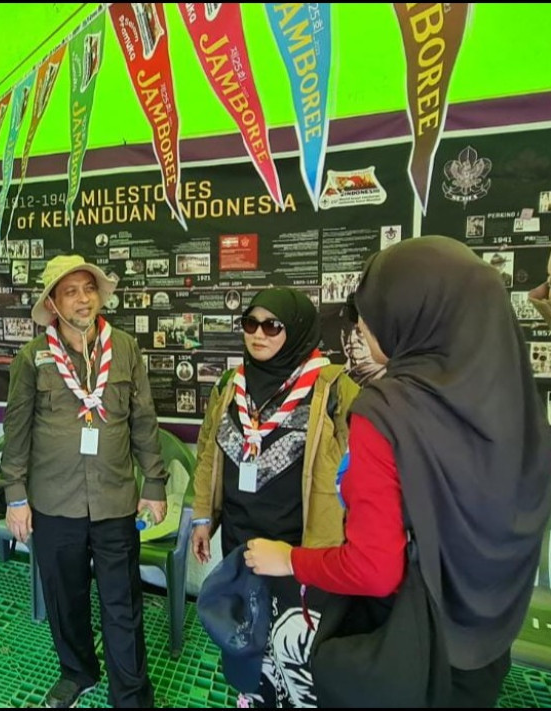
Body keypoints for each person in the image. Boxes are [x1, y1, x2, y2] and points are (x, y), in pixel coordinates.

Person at [244, 237, 551, 707]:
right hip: (486, 636)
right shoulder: (514, 405)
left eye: (374, 307)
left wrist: (288, 558)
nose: (362, 323)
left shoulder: (388, 412)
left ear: (416, 311)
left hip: (406, 646)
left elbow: (373, 570)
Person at [0, 255, 167, 708]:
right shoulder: (32, 358)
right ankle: (77, 671)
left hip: (115, 499)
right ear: (53, 303)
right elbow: (15, 431)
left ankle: (130, 694)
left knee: (122, 604)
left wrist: (154, 483)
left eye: (88, 289)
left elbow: (143, 420)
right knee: (65, 598)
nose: (83, 299)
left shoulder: (126, 348)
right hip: (54, 501)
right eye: (70, 291)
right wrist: (15, 496)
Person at [189, 287, 358, 707]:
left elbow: (362, 470)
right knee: (247, 633)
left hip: (301, 545)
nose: (258, 335)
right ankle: (252, 695)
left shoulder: (334, 388)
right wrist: (201, 517)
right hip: (241, 537)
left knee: (297, 646)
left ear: (297, 330)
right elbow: (210, 450)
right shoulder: (232, 384)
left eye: (272, 326)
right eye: (251, 323)